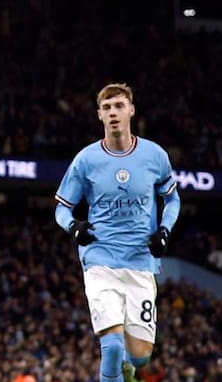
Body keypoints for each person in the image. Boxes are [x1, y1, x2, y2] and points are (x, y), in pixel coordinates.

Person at [54, 83, 181, 382]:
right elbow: (61, 208)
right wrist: (74, 228)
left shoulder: (154, 155)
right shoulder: (86, 159)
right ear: (99, 115)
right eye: (107, 108)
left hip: (141, 261)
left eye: (119, 106)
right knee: (111, 346)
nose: (113, 112)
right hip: (100, 259)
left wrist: (164, 231)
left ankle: (129, 366)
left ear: (131, 110)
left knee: (140, 355)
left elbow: (172, 199)